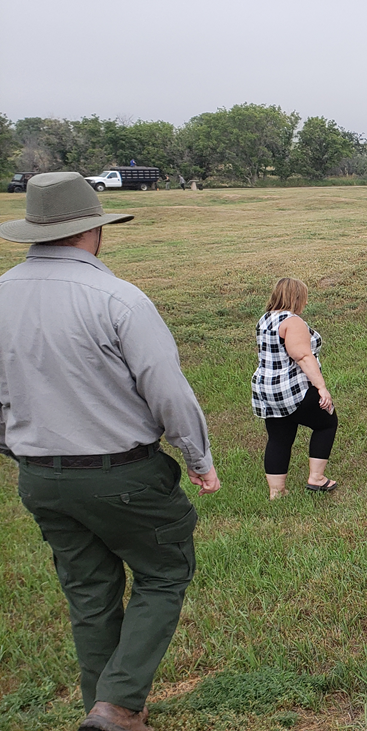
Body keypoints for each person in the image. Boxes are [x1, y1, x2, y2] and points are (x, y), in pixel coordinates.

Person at [0, 172, 221, 731]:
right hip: (122, 471)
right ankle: (119, 705)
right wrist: (197, 457)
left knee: (89, 594)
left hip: (40, 477)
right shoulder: (117, 298)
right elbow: (166, 388)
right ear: (90, 232)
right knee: (165, 571)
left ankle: (105, 711)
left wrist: (19, 448)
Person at [252, 277, 339, 499]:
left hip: (267, 389)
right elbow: (302, 356)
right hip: (292, 388)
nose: (306, 303)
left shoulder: (265, 319)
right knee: (327, 421)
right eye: (304, 298)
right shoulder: (293, 322)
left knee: (279, 437)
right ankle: (317, 478)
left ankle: (276, 491)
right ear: (296, 298)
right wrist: (321, 387)